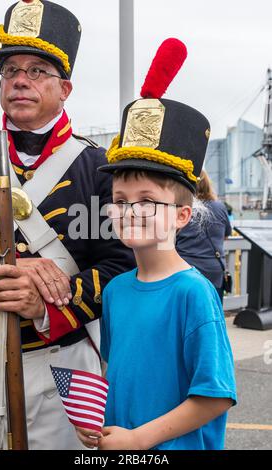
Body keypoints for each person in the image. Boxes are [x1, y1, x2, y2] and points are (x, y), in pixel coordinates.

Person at [0, 0, 134, 450]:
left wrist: (45, 304)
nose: (20, 79)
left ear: (65, 88)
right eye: (10, 70)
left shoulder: (100, 170)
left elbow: (121, 269)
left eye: (37, 69)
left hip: (62, 362)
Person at [74, 38, 236, 450]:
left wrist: (138, 439)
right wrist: (99, 422)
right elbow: (117, 374)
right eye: (121, 201)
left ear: (182, 215)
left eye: (148, 201)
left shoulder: (193, 293)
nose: (131, 211)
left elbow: (214, 396)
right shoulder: (115, 291)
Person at [176, 170, 232, 302]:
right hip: (214, 270)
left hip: (186, 269)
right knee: (214, 310)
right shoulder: (220, 207)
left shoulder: (183, 209)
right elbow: (226, 234)